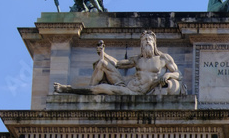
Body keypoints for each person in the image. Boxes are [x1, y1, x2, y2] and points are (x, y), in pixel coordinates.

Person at [54, 30, 184, 96]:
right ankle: (86, 94)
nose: (147, 41)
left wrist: (168, 75)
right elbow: (117, 63)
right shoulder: (137, 59)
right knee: (102, 63)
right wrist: (103, 52)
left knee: (100, 88)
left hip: (136, 93)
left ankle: (68, 89)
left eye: (149, 39)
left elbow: (178, 74)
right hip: (127, 87)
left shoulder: (164, 58)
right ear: (141, 44)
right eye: (144, 40)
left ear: (154, 43)